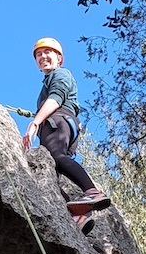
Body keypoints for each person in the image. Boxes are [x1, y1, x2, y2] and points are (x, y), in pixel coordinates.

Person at [22, 37, 111, 230]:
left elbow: (56, 97)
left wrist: (35, 122)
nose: (43, 57)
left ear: (59, 58)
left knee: (56, 156)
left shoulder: (61, 73)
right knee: (53, 172)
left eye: (48, 52)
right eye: (39, 54)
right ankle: (78, 215)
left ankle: (92, 191)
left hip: (58, 122)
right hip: (62, 125)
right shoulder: (49, 80)